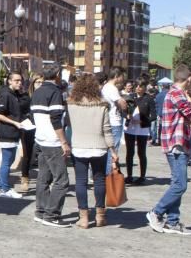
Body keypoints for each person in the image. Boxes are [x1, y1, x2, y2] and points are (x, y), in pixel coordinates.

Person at [146, 64, 191, 236]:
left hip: (175, 143)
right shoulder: (177, 93)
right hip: (177, 144)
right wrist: (190, 101)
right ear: (188, 78)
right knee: (181, 185)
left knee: (177, 183)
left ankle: (172, 222)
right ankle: (157, 212)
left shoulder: (173, 92)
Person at [67, 74, 118, 228]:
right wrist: (113, 150)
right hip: (99, 147)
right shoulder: (102, 105)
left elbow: (68, 125)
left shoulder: (70, 104)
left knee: (81, 182)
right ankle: (100, 216)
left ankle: (83, 218)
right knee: (99, 180)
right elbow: (107, 130)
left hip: (78, 146)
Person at [31, 65, 71, 227]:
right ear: (57, 75)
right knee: (62, 180)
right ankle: (51, 215)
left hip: (40, 139)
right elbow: (56, 119)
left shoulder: (38, 91)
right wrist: (64, 142)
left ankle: (41, 211)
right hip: (52, 141)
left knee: (43, 178)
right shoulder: (55, 92)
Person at [0, 73, 26, 199]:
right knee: (7, 161)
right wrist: (14, 122)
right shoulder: (5, 94)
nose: (19, 83)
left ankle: (0, 186)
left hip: (13, 131)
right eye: (16, 81)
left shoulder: (14, 94)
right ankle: (5, 188)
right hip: (7, 131)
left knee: (8, 160)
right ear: (9, 81)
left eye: (20, 80)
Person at [124, 81, 155, 184]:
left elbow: (154, 116)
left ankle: (142, 176)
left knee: (141, 153)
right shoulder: (130, 97)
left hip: (142, 129)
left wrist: (142, 121)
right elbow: (122, 110)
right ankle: (129, 176)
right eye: (136, 86)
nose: (138, 88)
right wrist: (126, 116)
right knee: (129, 153)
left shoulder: (149, 98)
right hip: (130, 128)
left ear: (145, 87)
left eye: (140, 86)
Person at [15, 73, 42, 193]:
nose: (40, 85)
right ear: (33, 83)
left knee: (42, 154)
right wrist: (25, 119)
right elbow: (19, 110)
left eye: (42, 82)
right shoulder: (26, 96)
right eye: (38, 82)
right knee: (28, 154)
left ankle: (45, 179)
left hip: (42, 127)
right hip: (29, 127)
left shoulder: (46, 96)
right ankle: (25, 178)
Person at [100, 67, 128, 172]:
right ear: (116, 76)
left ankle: (107, 175)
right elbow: (122, 104)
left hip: (108, 120)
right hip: (114, 121)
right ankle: (109, 176)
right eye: (121, 76)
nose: (122, 79)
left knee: (108, 149)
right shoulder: (112, 88)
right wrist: (124, 101)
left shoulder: (105, 87)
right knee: (112, 150)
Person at [152, 79, 170, 146]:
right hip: (169, 114)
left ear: (162, 87)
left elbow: (156, 105)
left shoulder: (158, 95)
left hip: (160, 114)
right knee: (168, 128)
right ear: (168, 87)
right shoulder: (170, 95)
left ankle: (159, 141)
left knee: (159, 128)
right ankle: (167, 141)